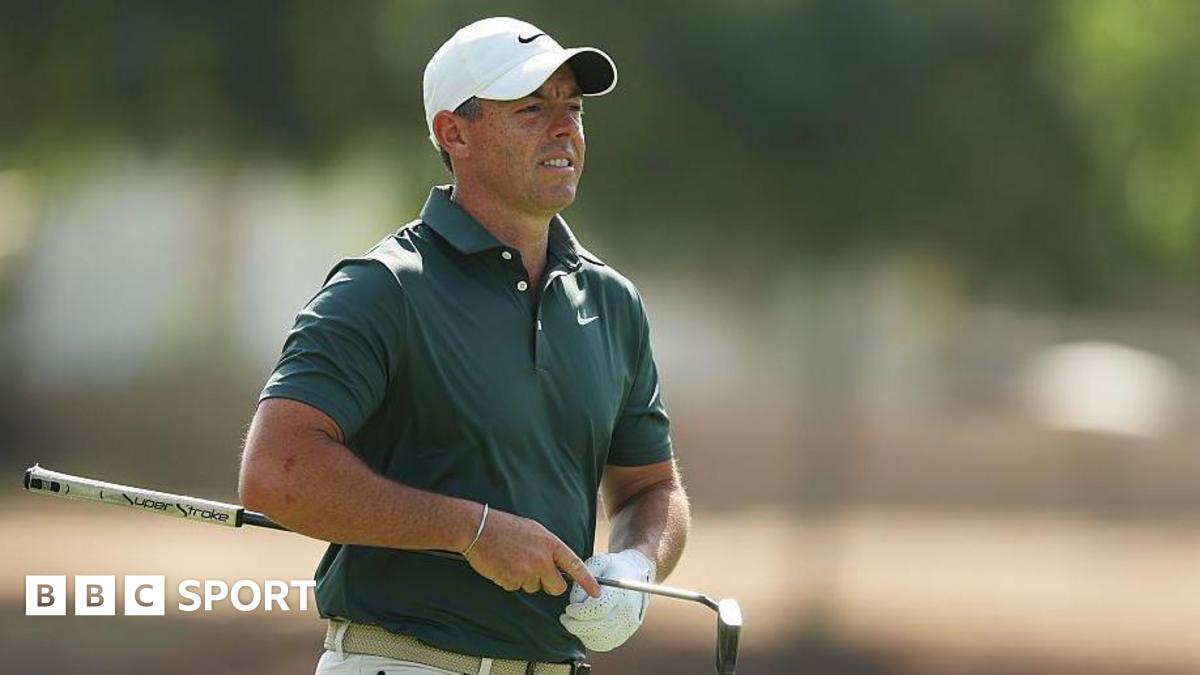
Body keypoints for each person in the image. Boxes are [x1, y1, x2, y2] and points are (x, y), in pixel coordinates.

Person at [238, 16, 690, 675]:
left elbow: (652, 486)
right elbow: (276, 470)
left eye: (572, 108)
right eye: (533, 108)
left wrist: (637, 562)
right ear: (455, 132)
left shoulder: (612, 302)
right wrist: (468, 529)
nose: (563, 127)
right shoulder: (385, 287)